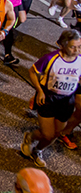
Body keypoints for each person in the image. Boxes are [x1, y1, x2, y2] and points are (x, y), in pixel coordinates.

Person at [21, 29, 81, 167]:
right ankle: (30, 137)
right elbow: (32, 71)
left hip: (67, 100)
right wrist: (39, 91)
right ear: (63, 45)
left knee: (57, 133)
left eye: (79, 47)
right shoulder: (51, 58)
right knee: (48, 134)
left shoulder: (80, 60)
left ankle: (38, 150)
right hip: (49, 98)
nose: (77, 50)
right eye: (73, 47)